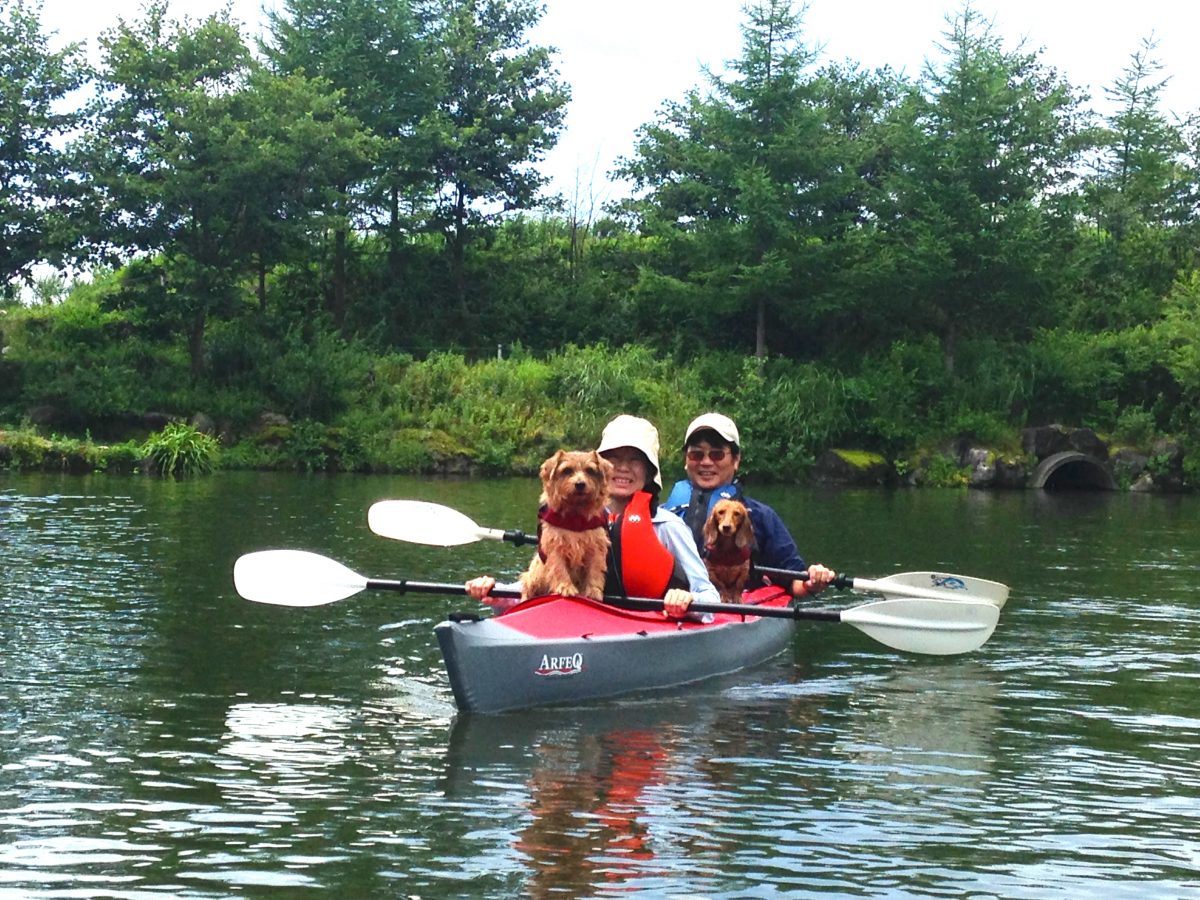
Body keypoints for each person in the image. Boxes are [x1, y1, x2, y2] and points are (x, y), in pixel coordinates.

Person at [466, 414, 720, 618]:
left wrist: (687, 600)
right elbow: (541, 578)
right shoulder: (569, 522)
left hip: (645, 624)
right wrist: (494, 592)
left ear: (649, 471)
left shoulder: (668, 527)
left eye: (634, 460)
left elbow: (709, 596)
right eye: (614, 458)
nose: (622, 468)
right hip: (582, 622)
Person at [663, 412, 836, 598]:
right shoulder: (662, 516)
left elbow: (796, 582)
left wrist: (813, 580)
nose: (706, 462)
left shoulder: (760, 516)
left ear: (736, 460)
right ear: (686, 461)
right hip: (671, 604)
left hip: (737, 605)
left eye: (717, 454)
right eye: (697, 454)